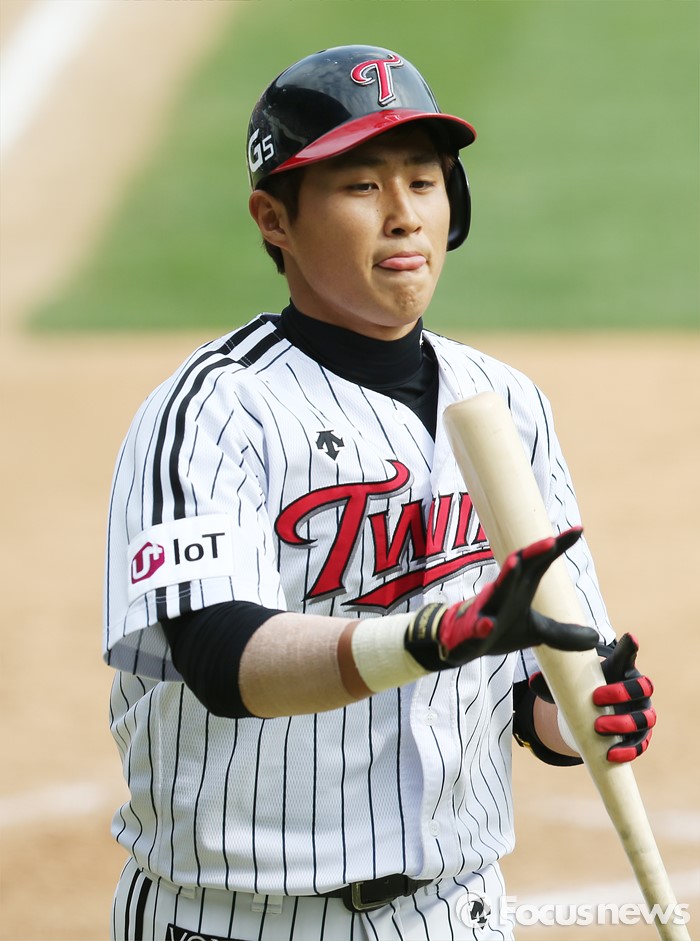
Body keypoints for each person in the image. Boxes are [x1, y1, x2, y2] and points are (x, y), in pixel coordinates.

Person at [104, 45, 656, 941]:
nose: (404, 215)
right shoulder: (213, 411)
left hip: (454, 912)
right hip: (235, 920)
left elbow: (540, 678)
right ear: (274, 218)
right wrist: (430, 636)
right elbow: (220, 656)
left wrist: (584, 712)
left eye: (424, 182)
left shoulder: (506, 402)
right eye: (362, 186)